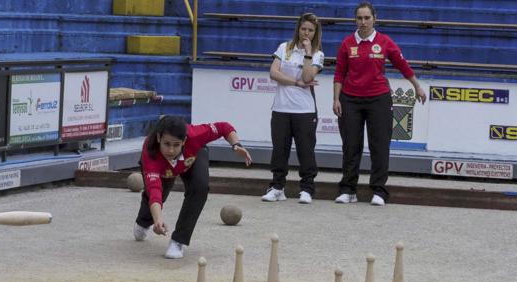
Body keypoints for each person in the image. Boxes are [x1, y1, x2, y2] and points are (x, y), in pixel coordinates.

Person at [332, 1, 426, 206]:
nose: (363, 22)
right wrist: (336, 99)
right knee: (350, 146)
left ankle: (379, 191)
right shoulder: (347, 43)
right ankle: (348, 190)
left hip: (379, 99)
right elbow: (339, 73)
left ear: (375, 18)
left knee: (380, 146)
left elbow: (402, 65)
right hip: (350, 100)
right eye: (359, 18)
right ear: (355, 20)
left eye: (367, 18)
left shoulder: (384, 41)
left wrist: (417, 86)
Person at [133, 116, 252, 259]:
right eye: (166, 143)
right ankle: (143, 222)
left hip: (192, 157)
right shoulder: (150, 152)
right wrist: (158, 220)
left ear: (184, 141)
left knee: (200, 187)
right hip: (162, 168)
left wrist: (236, 145)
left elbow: (224, 127)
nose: (171, 150)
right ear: (158, 138)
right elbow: (154, 190)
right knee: (159, 194)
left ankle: (178, 241)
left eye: (176, 144)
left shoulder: (195, 134)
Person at [262, 12, 325, 204]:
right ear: (298, 29)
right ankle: (277, 187)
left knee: (306, 150)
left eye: (310, 30)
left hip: (305, 110)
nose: (306, 33)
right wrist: (295, 83)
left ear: (315, 33)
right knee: (279, 150)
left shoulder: (318, 54)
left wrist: (307, 53)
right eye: (303, 29)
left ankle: (307, 189)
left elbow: (308, 77)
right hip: (281, 108)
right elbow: (274, 73)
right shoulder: (284, 47)